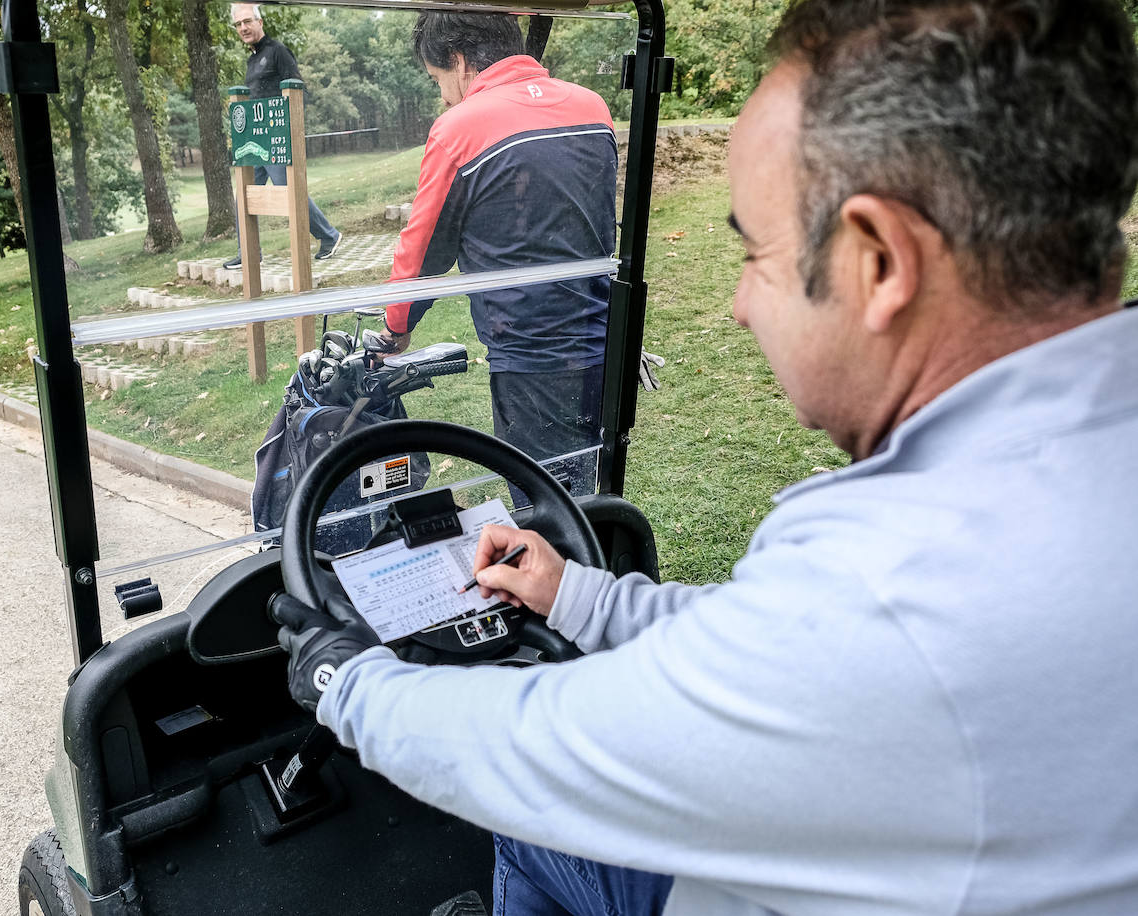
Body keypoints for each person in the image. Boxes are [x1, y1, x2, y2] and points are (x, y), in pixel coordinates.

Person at [272, 0, 1138, 913]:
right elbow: (775, 647)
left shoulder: (897, 578)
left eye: (756, 256)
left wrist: (348, 679)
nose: (737, 306)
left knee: (528, 833)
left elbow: (552, 756)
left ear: (880, 262)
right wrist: (581, 594)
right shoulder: (1046, 482)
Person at [372, 12, 618, 465]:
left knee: (548, 507)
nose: (444, 96)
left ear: (459, 60)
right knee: (597, 486)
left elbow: (423, 250)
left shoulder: (460, 130)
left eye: (438, 78)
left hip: (530, 360)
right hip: (607, 343)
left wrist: (396, 327)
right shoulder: (593, 107)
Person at [224, 3, 342, 269]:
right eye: (238, 24)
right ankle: (248, 253)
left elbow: (297, 90)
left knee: (289, 193)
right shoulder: (252, 59)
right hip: (255, 142)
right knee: (242, 194)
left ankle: (329, 236)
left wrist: (290, 132)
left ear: (259, 22)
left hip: (278, 140)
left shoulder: (278, 52)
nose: (243, 27)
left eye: (247, 22)